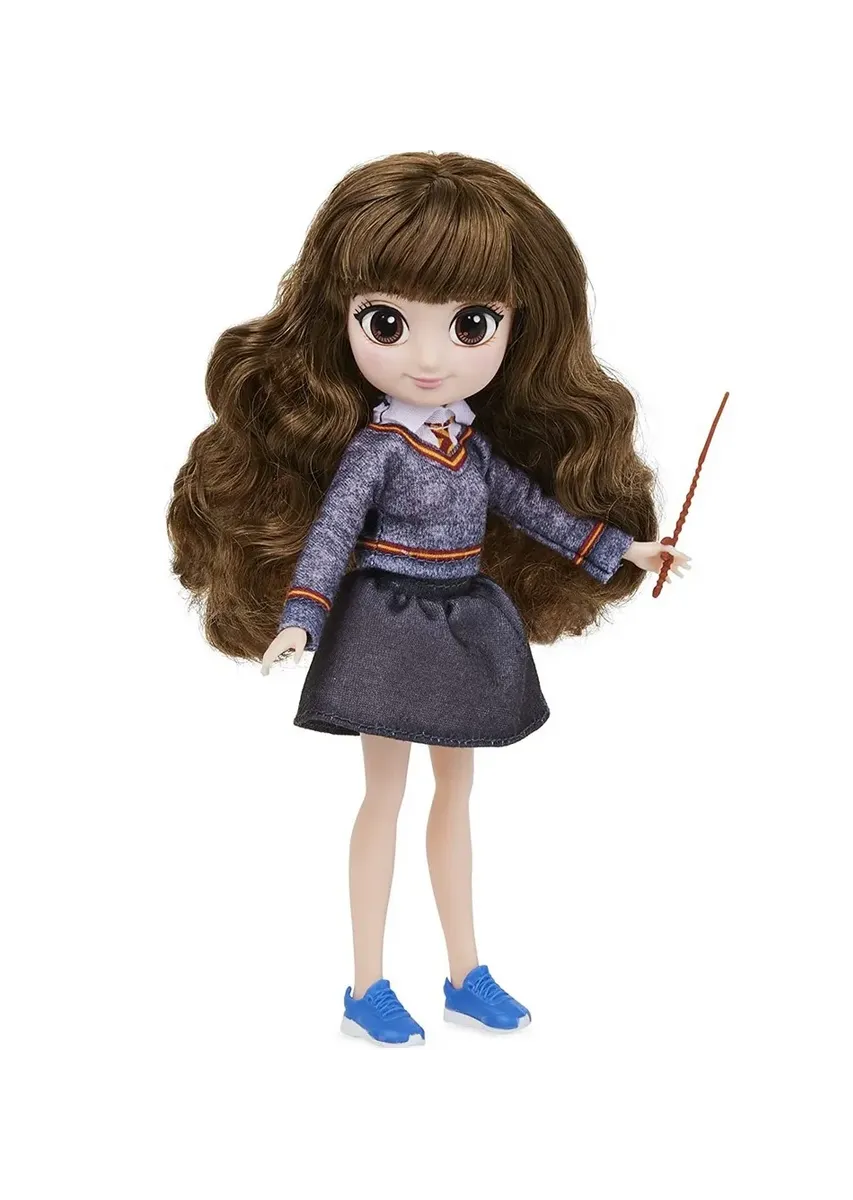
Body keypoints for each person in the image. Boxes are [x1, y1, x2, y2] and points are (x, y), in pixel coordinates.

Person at [168, 151, 690, 1047]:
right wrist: (302, 617)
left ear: (516, 325)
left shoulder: (470, 445)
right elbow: (333, 533)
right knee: (385, 795)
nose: (427, 356)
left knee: (457, 791)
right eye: (388, 322)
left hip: (463, 622)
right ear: (342, 318)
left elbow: (531, 508)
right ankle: (366, 984)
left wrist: (621, 549)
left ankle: (464, 970)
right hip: (386, 623)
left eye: (470, 324)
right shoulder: (378, 448)